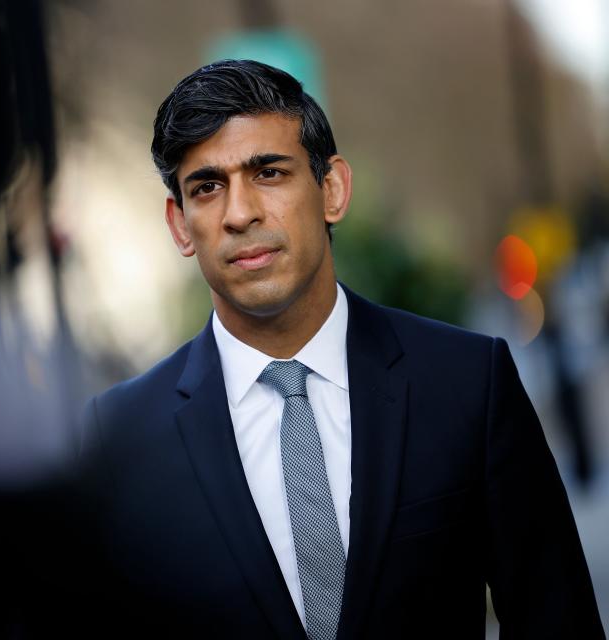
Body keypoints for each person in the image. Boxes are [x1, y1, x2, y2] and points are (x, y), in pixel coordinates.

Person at [78, 60, 604, 639]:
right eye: (207, 187)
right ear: (180, 224)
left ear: (332, 190)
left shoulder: (466, 383)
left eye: (269, 173)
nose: (239, 213)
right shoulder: (119, 439)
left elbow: (559, 618)